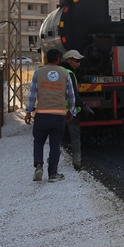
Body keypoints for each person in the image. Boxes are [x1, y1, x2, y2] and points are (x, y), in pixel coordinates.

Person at [24, 48, 77, 182]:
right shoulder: (65, 73)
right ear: (58, 59)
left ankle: (38, 166)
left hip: (42, 114)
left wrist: (28, 112)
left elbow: (32, 94)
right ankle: (53, 174)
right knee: (55, 144)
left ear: (47, 58)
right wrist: (71, 111)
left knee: (38, 141)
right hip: (58, 115)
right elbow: (71, 95)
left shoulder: (38, 72)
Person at [60, 49, 93, 171]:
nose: (79, 64)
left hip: (57, 110)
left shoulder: (57, 71)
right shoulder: (70, 73)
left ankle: (52, 161)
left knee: (57, 137)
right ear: (68, 60)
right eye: (76, 61)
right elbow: (73, 95)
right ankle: (77, 163)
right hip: (70, 111)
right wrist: (84, 106)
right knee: (75, 136)